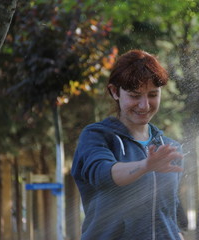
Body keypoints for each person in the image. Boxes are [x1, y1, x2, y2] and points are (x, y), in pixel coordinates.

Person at [71, 49, 185, 240]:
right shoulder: (96, 136)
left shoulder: (168, 147)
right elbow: (103, 174)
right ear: (114, 92)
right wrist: (145, 166)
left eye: (152, 94)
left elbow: (168, 214)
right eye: (134, 95)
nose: (144, 105)